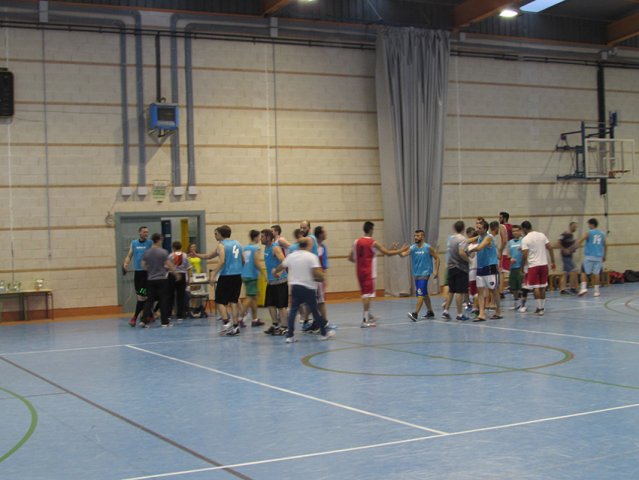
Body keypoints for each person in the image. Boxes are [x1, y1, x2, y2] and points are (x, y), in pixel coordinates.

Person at [274, 238, 335, 343]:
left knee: (293, 311)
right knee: (315, 311)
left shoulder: (291, 256)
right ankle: (324, 333)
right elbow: (317, 273)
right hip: (308, 288)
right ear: (308, 245)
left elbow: (281, 266)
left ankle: (290, 336)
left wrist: (275, 271)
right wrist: (322, 277)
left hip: (295, 287)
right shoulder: (311, 257)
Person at [348, 221, 405, 328]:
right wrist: (400, 250)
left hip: (359, 272)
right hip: (369, 272)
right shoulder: (373, 242)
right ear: (370, 230)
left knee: (366, 294)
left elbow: (350, 258)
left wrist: (361, 262)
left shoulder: (356, 242)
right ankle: (365, 321)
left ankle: (368, 315)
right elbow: (387, 253)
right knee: (367, 296)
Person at [198, 225, 243, 336]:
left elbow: (222, 261)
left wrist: (214, 273)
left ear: (221, 234)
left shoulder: (221, 245)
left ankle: (226, 323)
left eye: (216, 234)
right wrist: (197, 255)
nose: (215, 236)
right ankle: (235, 326)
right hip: (237, 275)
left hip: (226, 275)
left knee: (219, 301)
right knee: (233, 301)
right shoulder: (237, 243)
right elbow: (243, 260)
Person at [400, 229, 440, 321]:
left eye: (417, 236)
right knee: (424, 294)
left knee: (420, 294)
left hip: (425, 274)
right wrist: (398, 251)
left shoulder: (428, 248)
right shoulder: (413, 248)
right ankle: (430, 311)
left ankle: (415, 314)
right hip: (416, 274)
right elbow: (403, 254)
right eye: (415, 236)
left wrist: (436, 271)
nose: (415, 237)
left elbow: (437, 258)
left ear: (422, 237)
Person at [520, 220, 556, 316]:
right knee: (542, 286)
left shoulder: (525, 239)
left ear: (524, 229)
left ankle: (539, 308)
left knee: (536, 287)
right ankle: (542, 308)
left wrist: (522, 267)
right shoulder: (541, 235)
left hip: (533, 265)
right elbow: (550, 248)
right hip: (544, 264)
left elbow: (524, 255)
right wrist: (553, 262)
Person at [468, 219, 501, 322]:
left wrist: (468, 250)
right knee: (480, 290)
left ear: (485, 229)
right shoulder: (479, 237)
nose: (477, 230)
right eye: (477, 228)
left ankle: (498, 310)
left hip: (490, 267)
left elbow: (479, 248)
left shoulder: (488, 237)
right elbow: (468, 240)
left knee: (493, 290)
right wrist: (459, 242)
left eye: (480, 228)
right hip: (480, 268)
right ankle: (481, 314)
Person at [140, 233, 175, 328]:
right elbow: (169, 264)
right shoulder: (163, 252)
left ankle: (144, 321)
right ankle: (165, 322)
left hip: (150, 279)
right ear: (159, 240)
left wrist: (150, 269)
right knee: (163, 300)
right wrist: (175, 273)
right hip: (162, 279)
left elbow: (143, 265)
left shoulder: (147, 252)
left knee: (149, 301)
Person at [123, 226, 153, 327]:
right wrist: (126, 264)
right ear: (139, 232)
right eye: (144, 232)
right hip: (138, 274)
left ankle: (136, 317)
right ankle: (147, 315)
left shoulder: (150, 243)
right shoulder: (134, 243)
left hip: (147, 273)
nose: (146, 234)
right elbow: (129, 255)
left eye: (147, 232)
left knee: (143, 296)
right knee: (141, 295)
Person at [261, 228, 288, 336]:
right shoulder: (266, 248)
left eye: (262, 236)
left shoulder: (275, 248)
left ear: (268, 237)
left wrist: (278, 272)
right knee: (270, 304)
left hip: (280, 282)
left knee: (281, 306)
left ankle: (285, 327)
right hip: (271, 282)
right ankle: (275, 324)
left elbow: (284, 261)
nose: (260, 238)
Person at [441, 221, 469, 321]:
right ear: (463, 228)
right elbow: (461, 252)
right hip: (460, 267)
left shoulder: (451, 239)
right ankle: (459, 314)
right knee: (459, 292)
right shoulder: (462, 239)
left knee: (451, 290)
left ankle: (446, 311)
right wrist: (469, 260)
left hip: (450, 267)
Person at [240, 229, 265, 327]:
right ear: (255, 237)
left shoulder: (246, 248)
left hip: (245, 274)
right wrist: (263, 273)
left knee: (254, 297)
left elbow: (243, 261)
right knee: (250, 297)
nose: (260, 238)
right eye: (259, 236)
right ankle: (240, 318)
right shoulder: (256, 248)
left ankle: (255, 319)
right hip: (252, 275)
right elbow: (256, 262)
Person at [576, 218, 606, 297]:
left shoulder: (589, 233)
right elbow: (605, 245)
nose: (588, 226)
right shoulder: (602, 234)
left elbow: (581, 240)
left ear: (592, 224)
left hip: (589, 256)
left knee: (583, 272)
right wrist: (604, 255)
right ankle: (596, 291)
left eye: (589, 224)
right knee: (596, 273)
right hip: (598, 257)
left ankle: (583, 288)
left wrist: (575, 246)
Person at [168, 241, 191, 322]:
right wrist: (188, 279)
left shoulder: (170, 256)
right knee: (180, 296)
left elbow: (168, 267)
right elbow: (188, 268)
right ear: (181, 247)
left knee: (170, 295)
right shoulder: (185, 255)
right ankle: (180, 315)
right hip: (182, 275)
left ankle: (169, 314)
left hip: (172, 275)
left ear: (173, 247)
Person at [558, 222, 579, 294]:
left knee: (565, 273)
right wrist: (564, 249)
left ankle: (563, 289)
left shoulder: (571, 236)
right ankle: (572, 288)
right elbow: (558, 242)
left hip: (570, 256)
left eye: (576, 227)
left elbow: (572, 246)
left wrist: (574, 246)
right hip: (565, 256)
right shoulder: (564, 234)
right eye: (574, 227)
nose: (575, 228)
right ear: (570, 226)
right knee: (573, 271)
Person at [506, 225, 523, 310]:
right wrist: (510, 258)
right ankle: (516, 303)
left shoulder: (523, 241)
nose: (515, 233)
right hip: (513, 267)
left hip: (521, 267)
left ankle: (523, 304)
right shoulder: (510, 242)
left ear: (520, 231)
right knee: (514, 287)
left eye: (516, 231)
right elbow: (508, 254)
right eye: (513, 231)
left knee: (521, 286)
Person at [498, 212, 513, 296]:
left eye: (500, 218)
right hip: (512, 250)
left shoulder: (502, 226)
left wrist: (500, 250)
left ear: (504, 218)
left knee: (501, 272)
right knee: (512, 270)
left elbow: (504, 241)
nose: (499, 219)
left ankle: (501, 291)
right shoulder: (511, 226)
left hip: (505, 251)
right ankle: (513, 287)